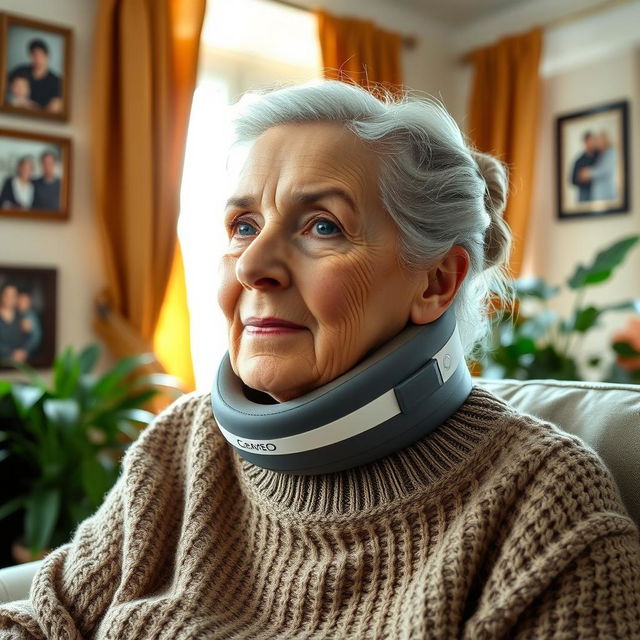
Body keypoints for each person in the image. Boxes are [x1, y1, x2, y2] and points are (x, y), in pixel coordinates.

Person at [0, 82, 639, 639]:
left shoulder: (541, 498)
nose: (252, 265)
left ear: (436, 282)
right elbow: (40, 621)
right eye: (244, 226)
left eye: (322, 226)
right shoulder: (185, 443)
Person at [7, 39, 62, 112]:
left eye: (41, 55)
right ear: (30, 56)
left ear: (47, 56)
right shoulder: (20, 71)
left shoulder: (56, 81)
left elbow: (55, 106)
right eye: (34, 55)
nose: (37, 59)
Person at [580, 130, 617, 202]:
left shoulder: (610, 153)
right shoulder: (600, 154)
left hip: (606, 196)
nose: (596, 143)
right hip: (595, 196)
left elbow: (605, 170)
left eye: (598, 140)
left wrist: (588, 173)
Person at [0, 283, 27, 364]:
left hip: (19, 364)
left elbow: (29, 340)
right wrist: (11, 353)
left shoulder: (22, 317)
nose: (10, 299)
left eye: (13, 296)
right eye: (7, 295)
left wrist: (23, 351)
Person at [570, 130, 599, 201]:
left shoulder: (600, 156)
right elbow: (572, 180)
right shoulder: (579, 161)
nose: (592, 143)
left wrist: (591, 174)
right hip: (585, 193)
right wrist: (582, 179)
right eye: (590, 141)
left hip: (599, 192)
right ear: (585, 142)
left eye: (593, 141)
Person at [16, 291, 41, 359]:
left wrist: (24, 350)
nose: (21, 304)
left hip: (27, 353)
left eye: (25, 301)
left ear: (29, 303)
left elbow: (36, 337)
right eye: (20, 301)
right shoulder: (15, 314)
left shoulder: (31, 316)